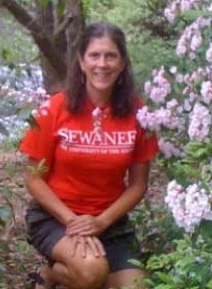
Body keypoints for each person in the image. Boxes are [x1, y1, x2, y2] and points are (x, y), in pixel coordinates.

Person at [20, 22, 159, 289]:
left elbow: (139, 184)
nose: (102, 64)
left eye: (111, 56)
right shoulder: (54, 108)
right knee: (92, 271)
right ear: (81, 62)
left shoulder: (139, 113)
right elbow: (33, 178)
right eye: (94, 55)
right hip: (56, 218)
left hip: (109, 222)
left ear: (122, 64)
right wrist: (73, 222)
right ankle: (50, 276)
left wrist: (101, 221)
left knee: (137, 286)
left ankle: (70, 274)